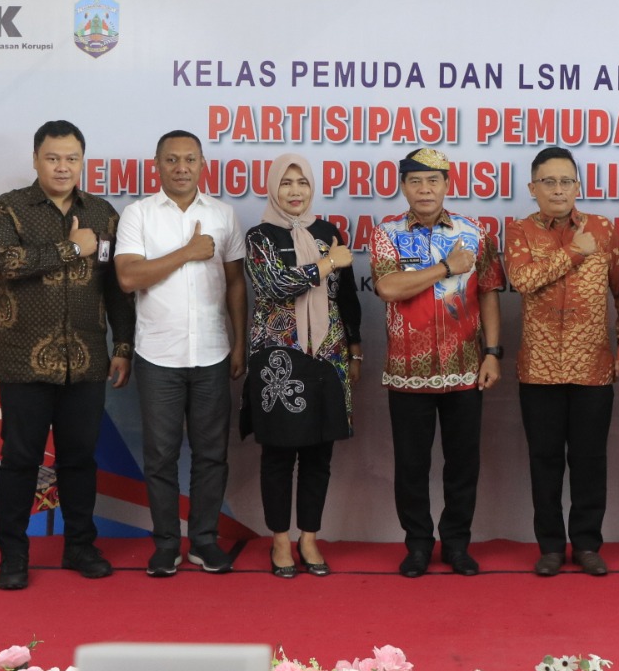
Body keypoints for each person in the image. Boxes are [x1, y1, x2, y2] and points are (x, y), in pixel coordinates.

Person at [0, 119, 135, 591]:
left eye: (71, 158)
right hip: (22, 360)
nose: (62, 167)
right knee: (20, 460)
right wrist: (70, 248)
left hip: (86, 359)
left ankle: (80, 547)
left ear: (83, 161)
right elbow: (3, 262)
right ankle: (13, 556)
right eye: (53, 158)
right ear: (36, 160)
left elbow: (116, 288)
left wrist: (122, 346)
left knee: (79, 460)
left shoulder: (103, 214)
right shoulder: (8, 208)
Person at [114, 130, 246, 577]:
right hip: (158, 355)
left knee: (212, 455)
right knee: (160, 457)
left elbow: (235, 283)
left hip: (212, 351)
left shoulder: (223, 215)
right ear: (157, 165)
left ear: (203, 164)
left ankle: (204, 541)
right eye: (172, 159)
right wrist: (188, 252)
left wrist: (239, 342)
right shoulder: (138, 214)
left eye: (190, 159)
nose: (182, 167)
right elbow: (128, 278)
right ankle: (167, 543)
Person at [504, 146, 619, 577]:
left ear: (578, 186)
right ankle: (549, 546)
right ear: (533, 188)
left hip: (593, 367)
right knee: (544, 460)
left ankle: (586, 544)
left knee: (589, 460)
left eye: (566, 181)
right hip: (539, 369)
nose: (558, 190)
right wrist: (574, 252)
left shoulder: (602, 229)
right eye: (549, 182)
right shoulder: (519, 230)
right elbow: (523, 280)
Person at [370, 147, 503, 578]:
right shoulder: (386, 234)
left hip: (466, 367)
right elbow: (389, 288)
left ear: (447, 184)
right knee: (412, 466)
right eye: (415, 181)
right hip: (408, 372)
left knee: (463, 465)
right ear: (403, 186)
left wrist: (493, 353)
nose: (424, 189)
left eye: (433, 181)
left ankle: (457, 544)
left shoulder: (475, 233)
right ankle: (418, 546)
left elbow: (489, 293)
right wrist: (447, 267)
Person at [242, 152, 362, 578]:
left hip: (328, 355)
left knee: (319, 454)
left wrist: (355, 349)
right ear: (274, 187)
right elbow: (275, 285)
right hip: (278, 359)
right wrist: (327, 263)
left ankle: (309, 538)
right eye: (286, 183)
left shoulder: (329, 232)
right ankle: (279, 541)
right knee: (279, 454)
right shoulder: (260, 236)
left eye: (303, 183)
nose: (295, 191)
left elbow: (345, 296)